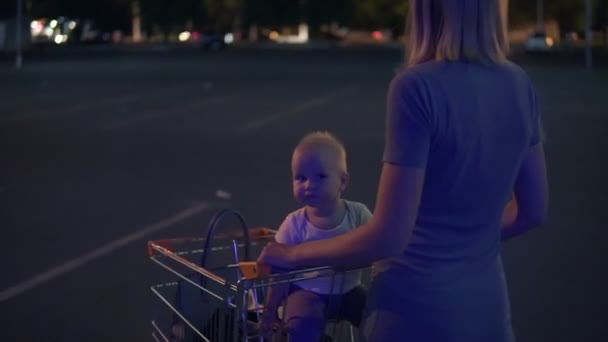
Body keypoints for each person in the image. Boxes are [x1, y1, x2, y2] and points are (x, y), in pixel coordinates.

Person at [257, 0, 549, 341]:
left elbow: (389, 235)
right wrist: (466, 239)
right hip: (488, 311)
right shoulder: (519, 84)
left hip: (414, 309)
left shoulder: (416, 87)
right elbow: (533, 212)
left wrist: (291, 254)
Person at [259, 131, 372, 341]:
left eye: (320, 176)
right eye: (300, 178)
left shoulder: (358, 215)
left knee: (380, 321)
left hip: (351, 290)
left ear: (343, 181)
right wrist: (270, 310)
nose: (309, 184)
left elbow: (378, 243)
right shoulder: (293, 224)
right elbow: (279, 273)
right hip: (307, 292)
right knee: (300, 328)